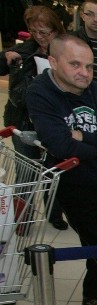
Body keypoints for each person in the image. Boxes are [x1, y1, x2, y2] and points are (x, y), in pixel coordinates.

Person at [26, 35, 97, 305]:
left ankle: (92, 293)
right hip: (74, 184)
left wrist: (82, 137)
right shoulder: (40, 93)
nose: (84, 73)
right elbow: (59, 145)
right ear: (53, 61)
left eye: (89, 66)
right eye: (75, 64)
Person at [0, 6, 68, 230]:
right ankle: (22, 219)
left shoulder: (66, 50)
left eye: (45, 32)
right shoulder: (26, 49)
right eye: (35, 31)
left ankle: (54, 214)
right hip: (21, 120)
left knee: (54, 171)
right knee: (26, 171)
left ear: (56, 30)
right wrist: (6, 57)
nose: (40, 37)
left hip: (54, 123)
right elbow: (3, 65)